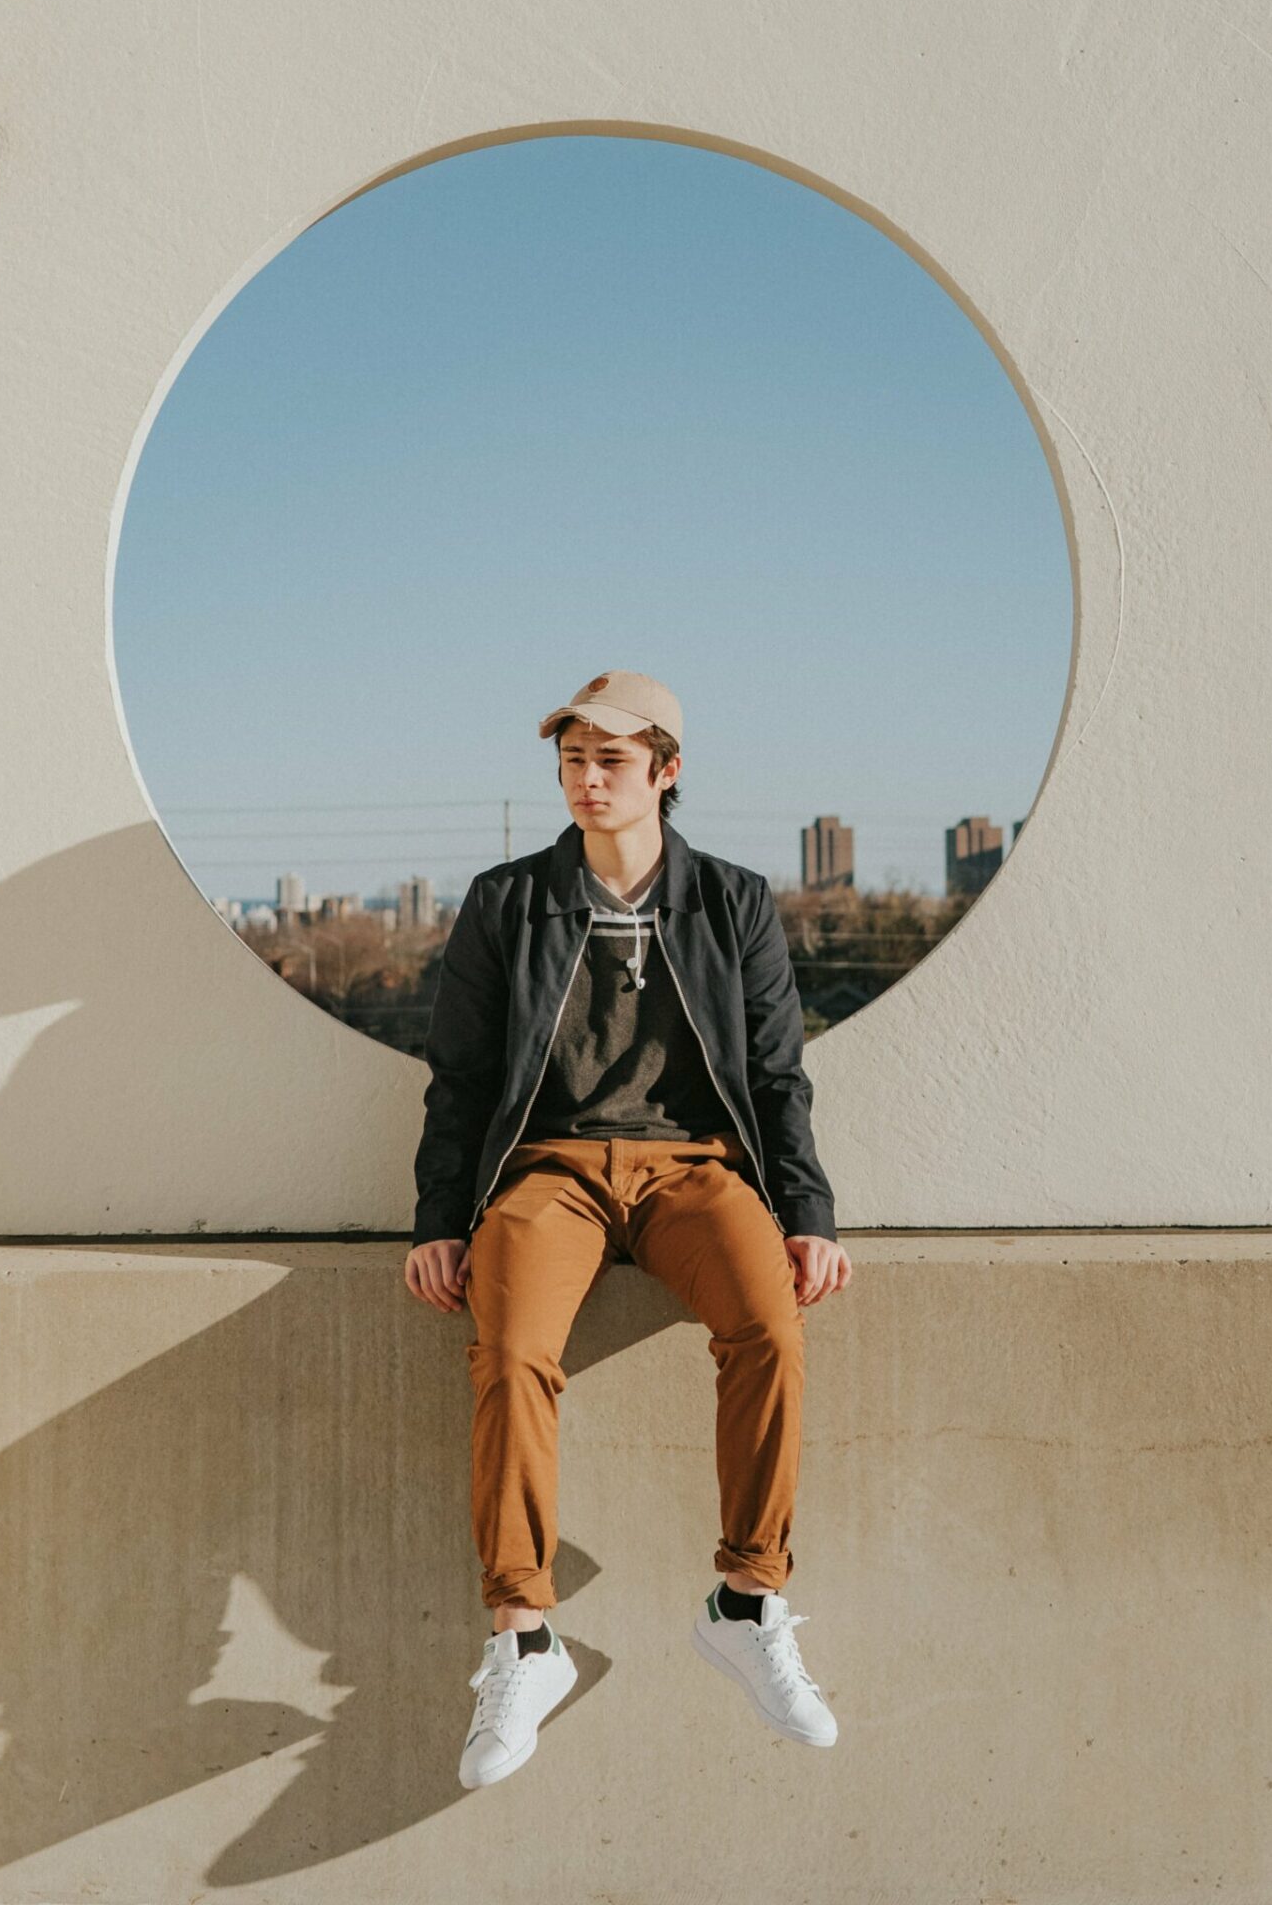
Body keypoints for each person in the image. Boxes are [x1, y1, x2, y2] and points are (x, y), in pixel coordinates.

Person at [404, 670, 852, 1788]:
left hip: (694, 1170)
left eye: (610, 761)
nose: (587, 781)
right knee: (510, 1354)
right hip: (548, 1172)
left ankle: (746, 1604)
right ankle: (523, 1638)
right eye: (572, 760)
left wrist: (805, 1213)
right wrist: (438, 1220)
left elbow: (776, 1073)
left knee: (770, 1328)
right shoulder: (507, 902)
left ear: (666, 771)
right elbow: (459, 1077)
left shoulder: (732, 901)